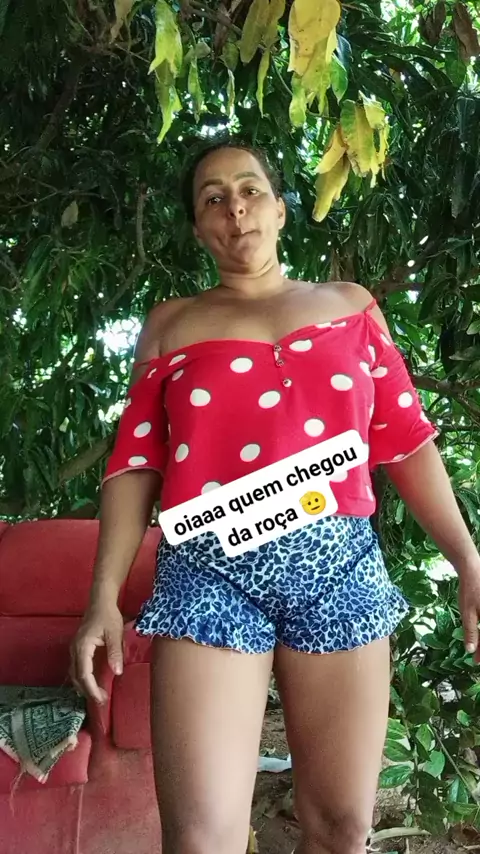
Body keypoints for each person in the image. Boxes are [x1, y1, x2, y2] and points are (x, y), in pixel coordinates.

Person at [70, 139, 480, 854]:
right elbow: (136, 464)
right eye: (213, 199)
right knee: (200, 840)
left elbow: (406, 442)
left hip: (339, 570)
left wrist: (468, 560)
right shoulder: (171, 324)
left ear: (282, 209)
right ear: (198, 228)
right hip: (209, 574)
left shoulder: (350, 306)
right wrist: (103, 595)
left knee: (343, 829)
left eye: (250, 189)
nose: (235, 209)